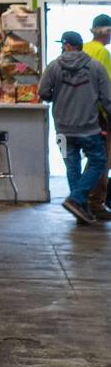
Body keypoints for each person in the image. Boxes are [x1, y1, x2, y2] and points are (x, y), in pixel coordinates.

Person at [39, 30, 111, 224]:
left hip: (61, 130)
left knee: (71, 166)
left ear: (67, 45)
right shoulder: (96, 67)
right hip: (89, 129)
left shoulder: (53, 66)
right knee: (98, 161)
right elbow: (107, 99)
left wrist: (59, 93)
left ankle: (79, 206)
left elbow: (43, 92)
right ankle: (77, 200)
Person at [82, 14, 111, 219]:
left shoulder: (83, 48)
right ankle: (96, 203)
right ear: (106, 32)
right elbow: (106, 89)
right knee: (103, 159)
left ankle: (83, 198)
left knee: (92, 158)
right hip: (100, 114)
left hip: (82, 113)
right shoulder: (102, 52)